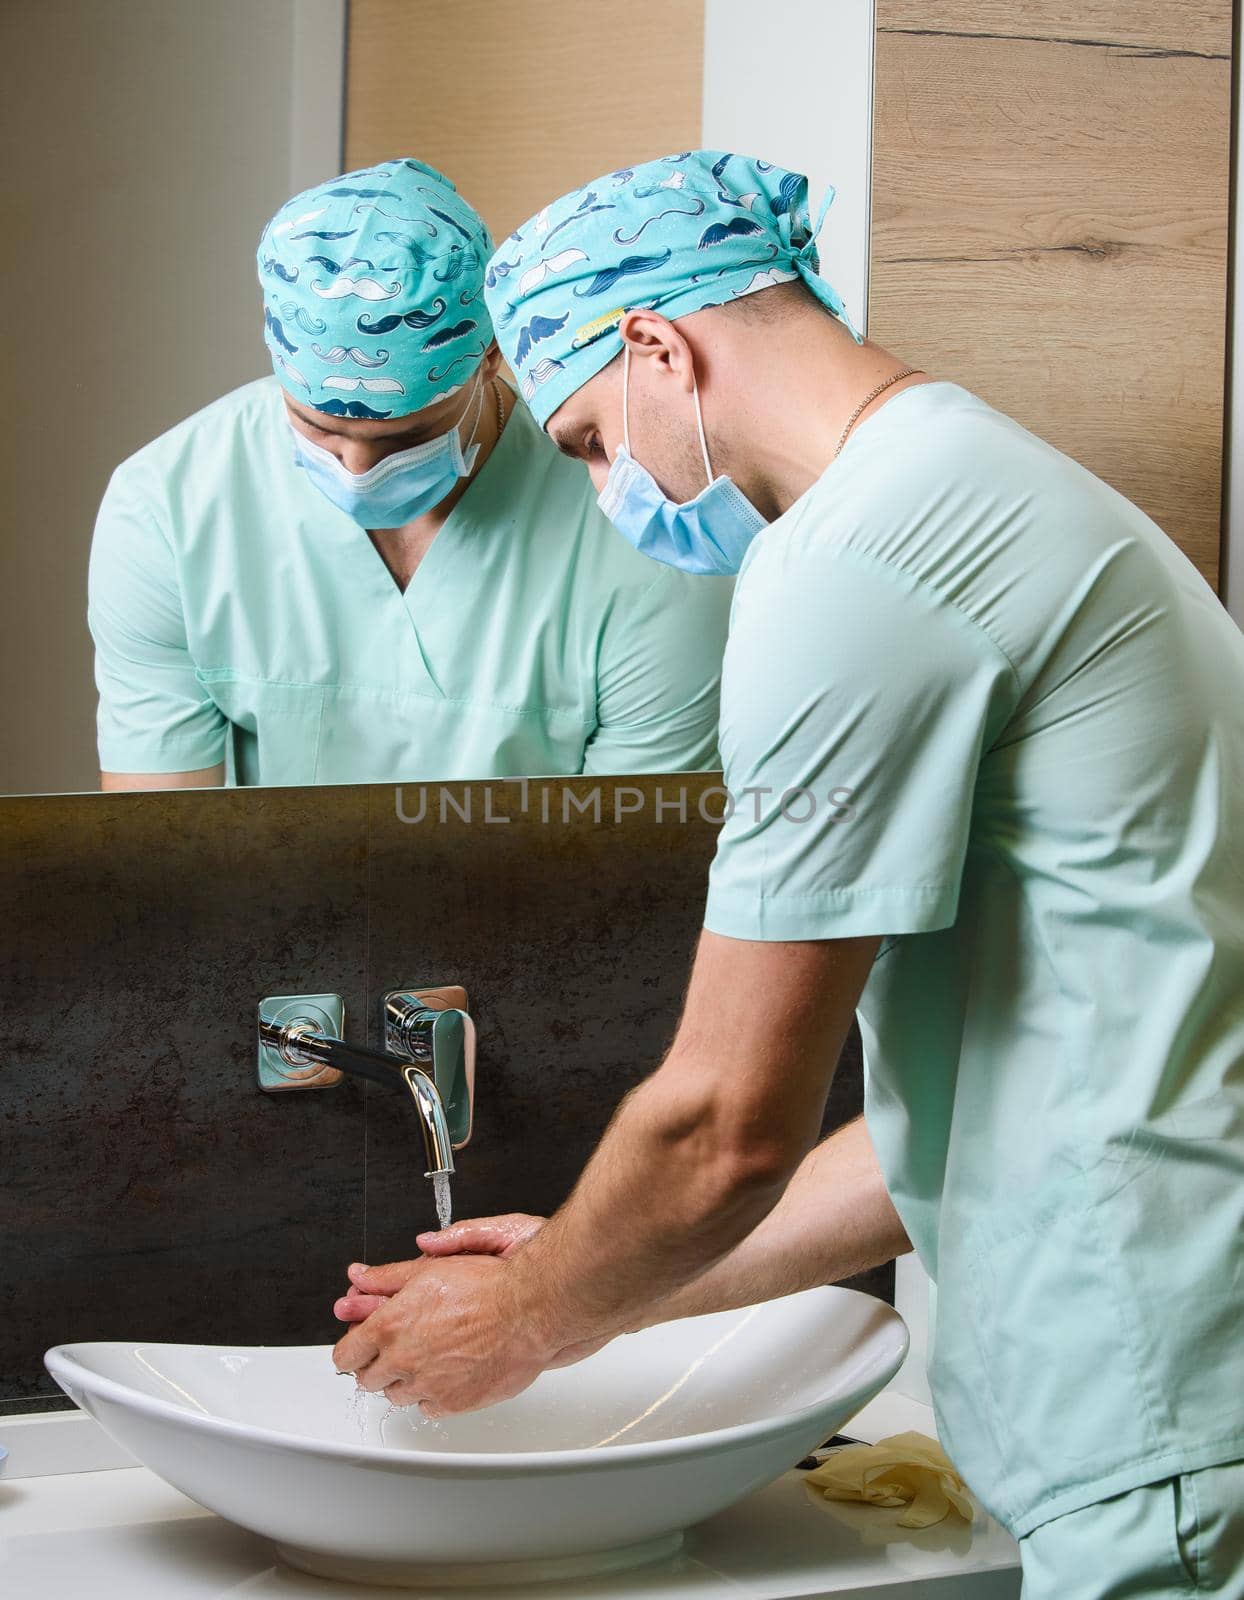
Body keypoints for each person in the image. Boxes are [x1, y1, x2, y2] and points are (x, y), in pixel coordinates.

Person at [330, 152, 1244, 1597]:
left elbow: (723, 1128)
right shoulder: (1000, 491)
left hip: (1157, 1406)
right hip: (1177, 1398)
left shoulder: (856, 562)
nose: (598, 484)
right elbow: (931, 1144)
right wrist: (589, 1271)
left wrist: (531, 1322)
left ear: (657, 347)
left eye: (581, 441)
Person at [87, 158, 731, 788]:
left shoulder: (645, 536)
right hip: (256, 898)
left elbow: (626, 861)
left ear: (490, 358)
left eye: (407, 437)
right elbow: (159, 848)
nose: (359, 470)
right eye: (320, 429)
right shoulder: (167, 509)